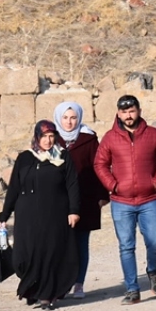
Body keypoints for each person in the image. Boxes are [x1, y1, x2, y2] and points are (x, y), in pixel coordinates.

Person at [94, 94, 156, 305]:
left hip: (150, 199)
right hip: (122, 202)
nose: (128, 116)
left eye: (131, 111)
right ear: (118, 113)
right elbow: (100, 164)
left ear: (138, 111)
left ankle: (153, 271)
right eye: (124, 112)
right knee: (126, 246)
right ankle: (132, 289)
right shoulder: (110, 138)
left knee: (155, 241)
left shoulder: (154, 135)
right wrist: (113, 186)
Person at [0, 120, 80, 310]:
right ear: (37, 137)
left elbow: (72, 185)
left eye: (52, 136)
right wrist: (5, 214)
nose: (48, 140)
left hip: (55, 214)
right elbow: (14, 188)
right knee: (23, 256)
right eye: (44, 136)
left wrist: (74, 211)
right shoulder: (25, 158)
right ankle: (32, 288)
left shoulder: (62, 156)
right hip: (27, 216)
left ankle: (46, 295)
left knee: (49, 254)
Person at [54, 101, 107, 299]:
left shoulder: (88, 139)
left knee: (81, 243)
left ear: (79, 118)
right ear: (59, 118)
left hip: (85, 198)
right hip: (58, 200)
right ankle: (61, 283)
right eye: (65, 118)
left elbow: (99, 166)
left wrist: (102, 195)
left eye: (73, 117)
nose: (69, 122)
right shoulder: (52, 138)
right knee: (60, 243)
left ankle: (79, 283)